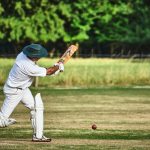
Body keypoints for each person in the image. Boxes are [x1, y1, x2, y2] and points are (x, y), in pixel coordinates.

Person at [0, 44, 64, 142]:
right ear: (34, 56)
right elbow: (49, 71)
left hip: (23, 89)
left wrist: (57, 67)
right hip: (14, 91)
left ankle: (38, 136)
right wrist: (58, 66)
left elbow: (47, 71)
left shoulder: (22, 55)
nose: (39, 57)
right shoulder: (27, 66)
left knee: (35, 108)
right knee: (1, 121)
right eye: (38, 55)